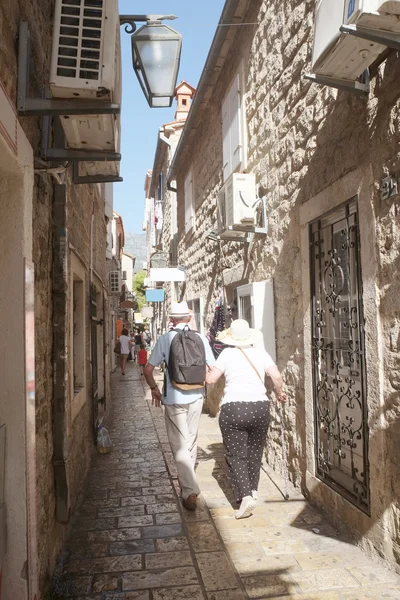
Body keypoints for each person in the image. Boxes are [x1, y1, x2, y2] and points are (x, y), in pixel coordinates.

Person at [206, 319, 286, 519]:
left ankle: (245, 496)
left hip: (234, 407)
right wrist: (278, 393)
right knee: (255, 451)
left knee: (236, 455)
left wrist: (208, 370)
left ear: (231, 337)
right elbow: (276, 376)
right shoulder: (260, 353)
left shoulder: (227, 354)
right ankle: (253, 489)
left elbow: (211, 380)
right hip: (260, 407)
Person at [144, 301, 215, 511]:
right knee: (191, 440)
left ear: (172, 320)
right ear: (190, 318)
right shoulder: (201, 338)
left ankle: (189, 491)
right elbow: (212, 367)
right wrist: (202, 383)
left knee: (179, 445)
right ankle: (188, 480)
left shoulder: (166, 338)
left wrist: (154, 389)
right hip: (196, 396)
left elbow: (148, 370)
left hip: (174, 397)